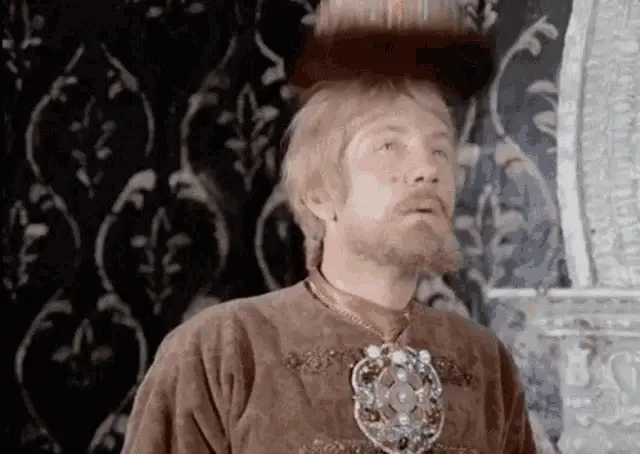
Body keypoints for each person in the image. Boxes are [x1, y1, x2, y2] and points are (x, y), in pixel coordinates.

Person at [122, 1, 536, 453]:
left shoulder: (485, 363)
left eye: (439, 150)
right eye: (388, 145)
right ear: (320, 195)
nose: (427, 170)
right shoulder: (221, 350)